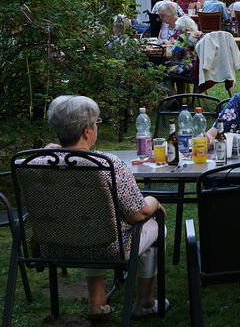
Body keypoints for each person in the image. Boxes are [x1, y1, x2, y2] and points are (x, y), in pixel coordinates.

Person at [42, 96, 167, 320]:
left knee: (88, 222)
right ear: (87, 132)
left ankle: (97, 302)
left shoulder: (37, 161)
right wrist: (154, 201)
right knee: (154, 225)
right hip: (108, 248)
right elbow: (137, 213)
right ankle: (145, 303)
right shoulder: (107, 164)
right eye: (95, 123)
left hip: (54, 246)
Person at [165, 16, 202, 81]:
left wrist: (167, 45)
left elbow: (171, 54)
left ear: (181, 27)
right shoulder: (199, 35)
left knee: (164, 71)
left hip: (188, 68)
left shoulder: (183, 36)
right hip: (200, 67)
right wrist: (176, 42)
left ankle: (172, 91)